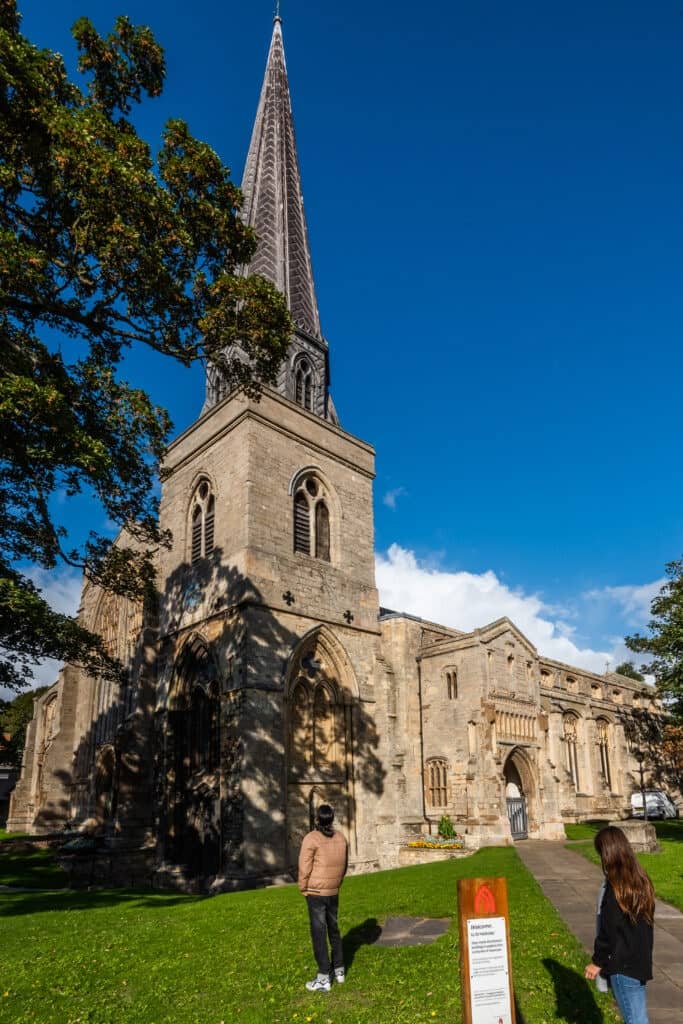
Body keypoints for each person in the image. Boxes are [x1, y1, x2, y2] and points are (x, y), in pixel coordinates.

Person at [584, 825, 655, 1024]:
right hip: (640, 960)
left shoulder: (615, 888)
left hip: (624, 966)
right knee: (638, 1017)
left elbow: (608, 931)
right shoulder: (641, 881)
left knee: (636, 1020)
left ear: (607, 854)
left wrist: (597, 962)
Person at [298, 804, 348, 993]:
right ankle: (340, 969)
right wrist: (337, 883)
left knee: (319, 933)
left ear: (317, 819)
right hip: (333, 890)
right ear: (332, 818)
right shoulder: (341, 838)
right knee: (333, 929)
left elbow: (304, 867)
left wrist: (303, 887)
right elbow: (344, 865)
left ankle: (323, 977)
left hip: (316, 893)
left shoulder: (311, 838)